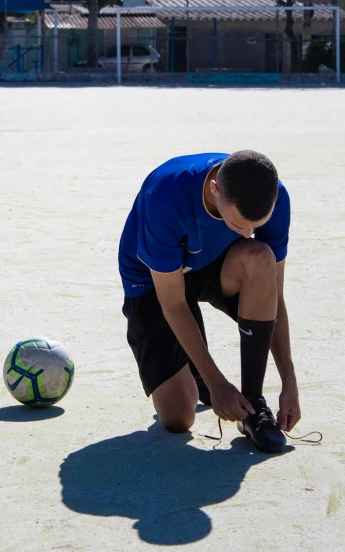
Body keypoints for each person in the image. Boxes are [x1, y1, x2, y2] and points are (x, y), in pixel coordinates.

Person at [119, 150, 300, 453]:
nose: (248, 232)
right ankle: (195, 375)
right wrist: (215, 381)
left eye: (256, 226)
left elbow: (275, 295)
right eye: (239, 224)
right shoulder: (165, 195)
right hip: (153, 280)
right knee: (178, 418)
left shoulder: (276, 196)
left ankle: (253, 406)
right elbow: (174, 303)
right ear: (214, 189)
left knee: (259, 257)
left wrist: (289, 380)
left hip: (217, 265)